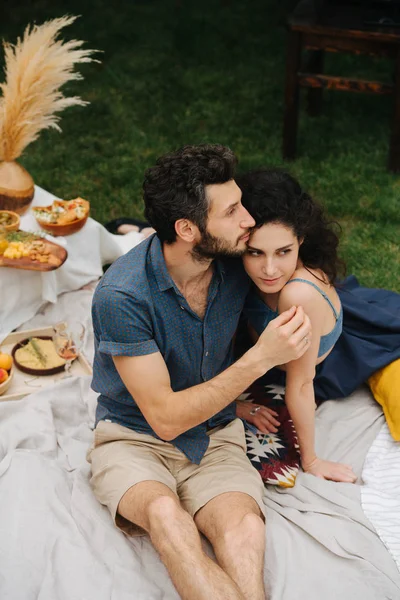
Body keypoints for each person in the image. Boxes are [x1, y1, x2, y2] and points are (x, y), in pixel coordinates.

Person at [87, 145, 312, 600]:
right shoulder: (122, 296)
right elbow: (165, 419)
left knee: (246, 528)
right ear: (188, 229)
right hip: (134, 437)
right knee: (168, 517)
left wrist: (314, 289)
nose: (247, 219)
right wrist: (258, 359)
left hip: (216, 434)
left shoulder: (234, 263)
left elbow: (289, 263)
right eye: (232, 211)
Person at [234, 167, 357, 484]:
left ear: (301, 239)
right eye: (254, 252)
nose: (269, 269)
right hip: (259, 352)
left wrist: (312, 460)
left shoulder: (297, 293)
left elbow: (302, 384)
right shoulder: (243, 265)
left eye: (284, 251)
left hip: (299, 369)